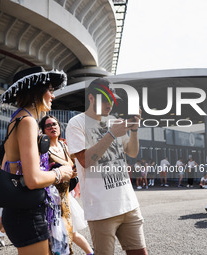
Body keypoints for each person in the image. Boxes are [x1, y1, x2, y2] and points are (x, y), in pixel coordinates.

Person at [66, 78, 147, 255]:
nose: (109, 104)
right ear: (92, 98)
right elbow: (85, 161)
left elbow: (132, 152)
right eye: (105, 98)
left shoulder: (113, 120)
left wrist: (134, 130)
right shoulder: (76, 123)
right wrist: (111, 134)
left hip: (129, 204)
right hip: (101, 209)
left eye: (112, 99)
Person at [0, 66, 74, 254]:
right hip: (26, 212)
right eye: (49, 90)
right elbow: (32, 180)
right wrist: (61, 173)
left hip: (21, 209)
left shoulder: (19, 119)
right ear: (36, 91)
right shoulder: (27, 122)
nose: (52, 96)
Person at [40, 115, 94, 255]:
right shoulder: (42, 149)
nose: (52, 127)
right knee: (55, 237)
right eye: (48, 125)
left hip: (66, 197)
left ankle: (90, 253)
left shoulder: (65, 146)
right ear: (43, 130)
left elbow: (77, 165)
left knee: (70, 232)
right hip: (50, 201)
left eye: (55, 124)